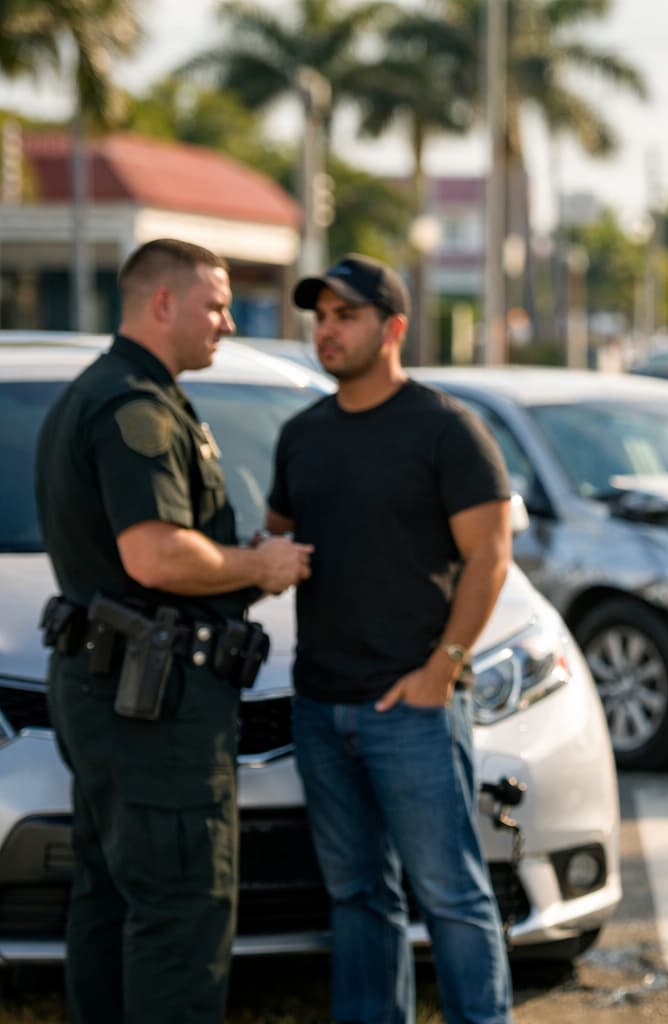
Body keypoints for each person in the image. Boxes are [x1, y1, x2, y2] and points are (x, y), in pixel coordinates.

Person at [34, 238, 313, 1023]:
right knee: (182, 909)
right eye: (215, 306)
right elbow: (154, 555)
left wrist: (233, 564)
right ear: (163, 303)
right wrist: (259, 566)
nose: (228, 322)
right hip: (153, 710)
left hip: (115, 691)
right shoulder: (136, 406)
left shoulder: (103, 392)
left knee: (110, 898)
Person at [265, 254, 514, 1024]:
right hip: (319, 706)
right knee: (357, 895)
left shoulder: (445, 429)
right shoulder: (302, 435)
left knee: (451, 895)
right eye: (320, 317)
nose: (327, 330)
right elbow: (276, 539)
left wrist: (443, 669)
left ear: (393, 327)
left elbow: (491, 556)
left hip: (413, 708)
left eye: (346, 316)